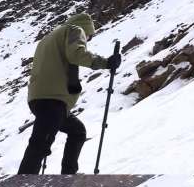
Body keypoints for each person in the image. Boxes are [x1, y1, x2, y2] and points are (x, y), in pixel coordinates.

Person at [18, 13, 121, 174]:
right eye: (89, 36)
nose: (87, 39)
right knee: (39, 145)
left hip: (40, 98)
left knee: (77, 131)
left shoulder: (49, 38)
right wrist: (106, 62)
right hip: (52, 99)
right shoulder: (75, 29)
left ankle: (68, 175)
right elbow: (76, 54)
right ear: (86, 29)